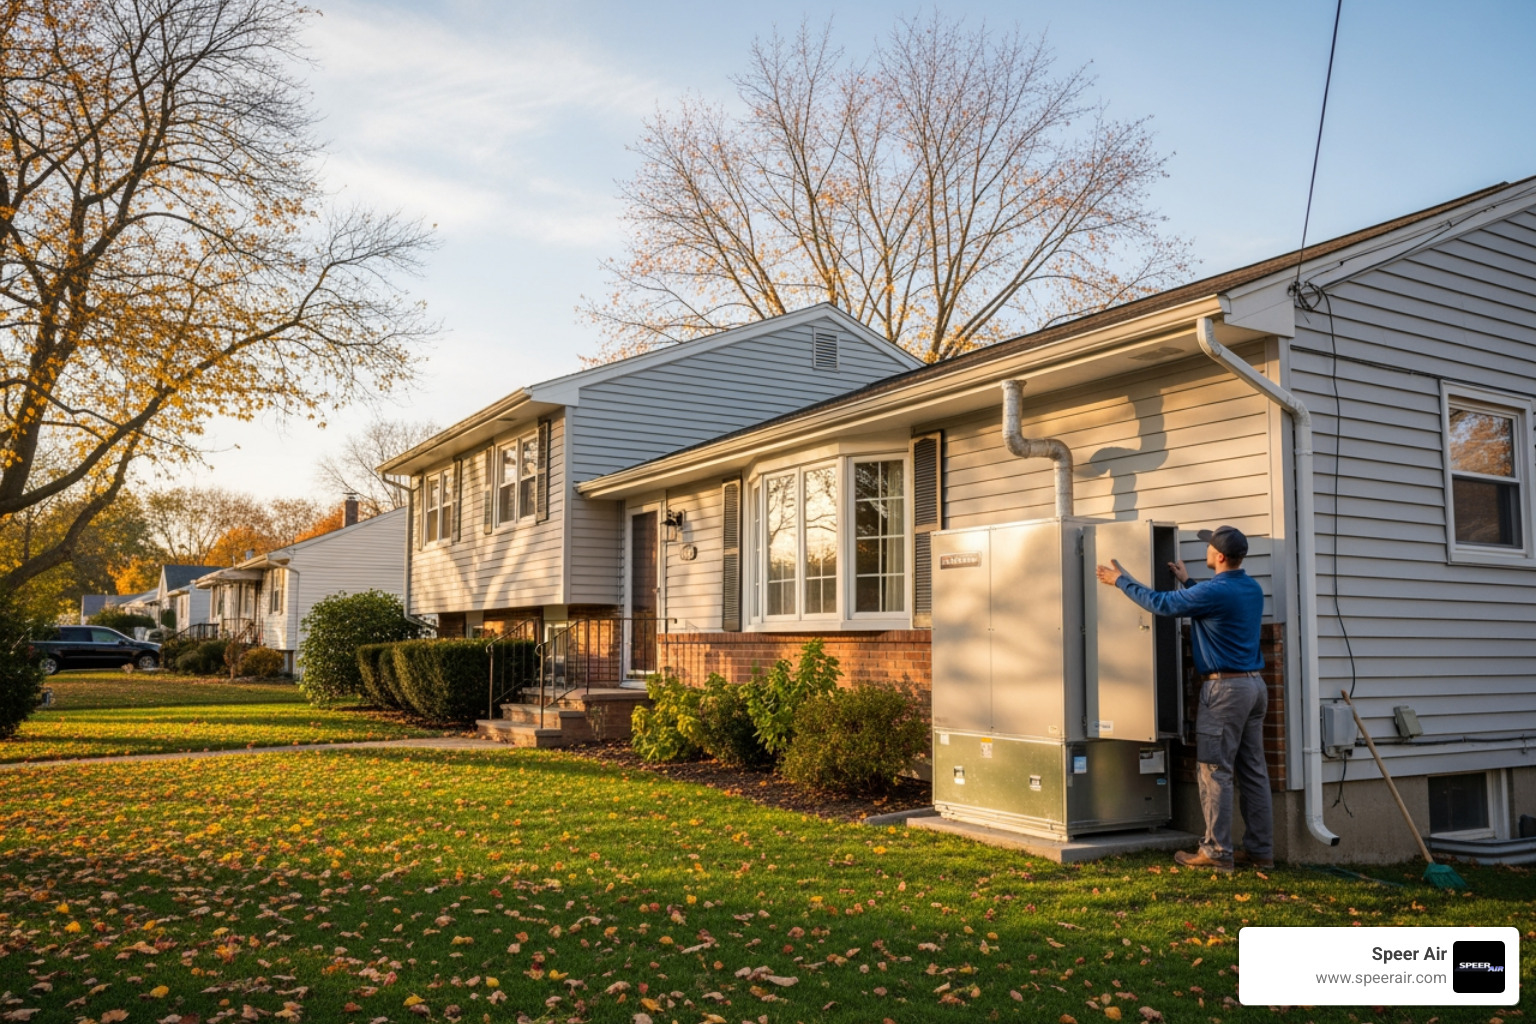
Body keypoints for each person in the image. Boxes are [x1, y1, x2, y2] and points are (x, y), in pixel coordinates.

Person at [1094, 525, 1273, 871]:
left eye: (1209, 548)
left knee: (1215, 771)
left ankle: (1217, 852)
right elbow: (1213, 605)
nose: (1205, 551)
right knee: (1253, 772)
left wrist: (1120, 581)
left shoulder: (1215, 591)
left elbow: (1161, 604)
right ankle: (1261, 851)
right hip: (1254, 688)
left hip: (1225, 692)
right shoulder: (1250, 587)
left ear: (1220, 557)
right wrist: (1188, 583)